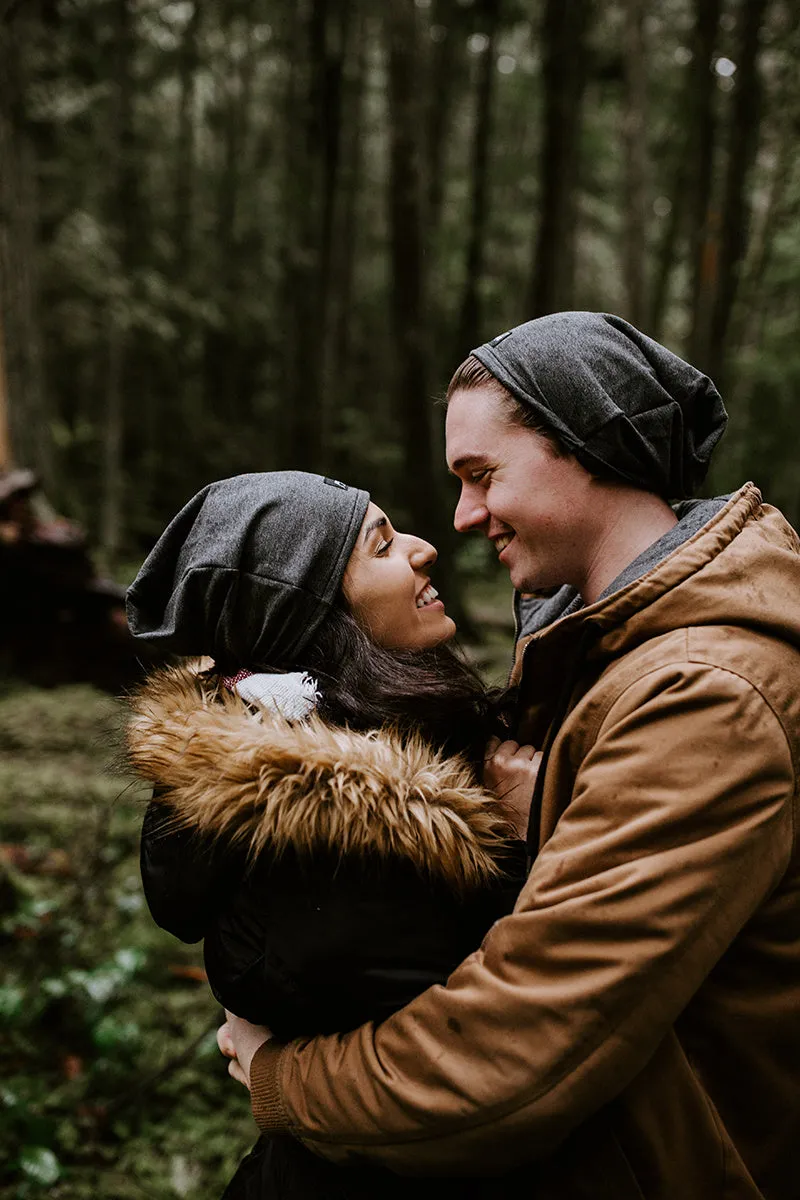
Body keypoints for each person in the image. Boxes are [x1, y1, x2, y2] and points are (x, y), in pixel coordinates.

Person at [220, 313, 800, 1200]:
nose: (462, 516)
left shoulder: (706, 693)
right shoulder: (599, 650)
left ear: (587, 446)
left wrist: (283, 1078)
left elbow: (519, 1056)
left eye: (482, 475)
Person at [125, 470, 535, 1199]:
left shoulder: (384, 766)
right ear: (315, 619)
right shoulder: (347, 847)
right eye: (380, 547)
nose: (423, 548)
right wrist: (532, 845)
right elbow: (503, 1041)